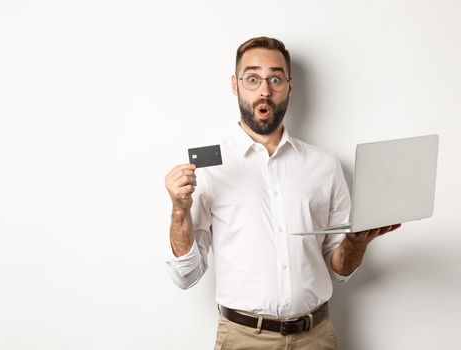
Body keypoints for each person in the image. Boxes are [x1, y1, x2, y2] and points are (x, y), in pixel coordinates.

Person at [164, 36, 400, 350]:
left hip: (316, 337)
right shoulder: (207, 168)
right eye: (252, 78)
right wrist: (179, 209)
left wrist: (356, 243)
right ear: (235, 85)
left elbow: (340, 270)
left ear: (289, 85)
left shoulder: (324, 165)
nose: (264, 90)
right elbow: (185, 276)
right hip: (243, 339)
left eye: (275, 78)